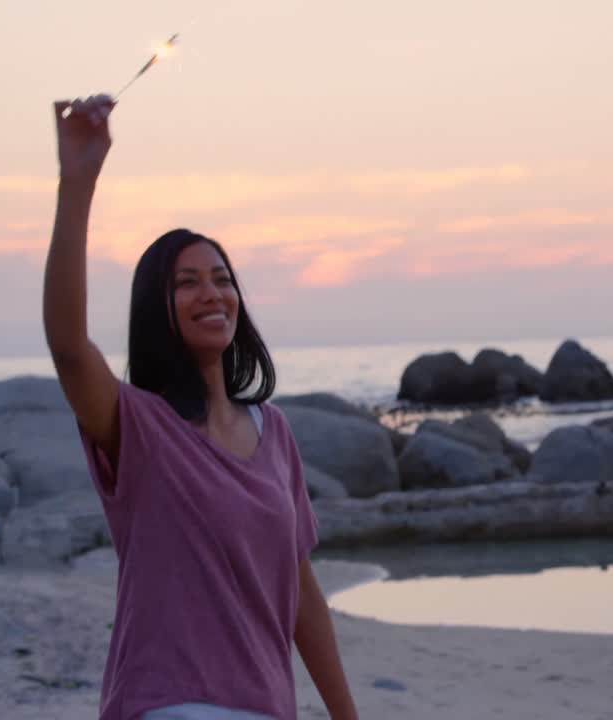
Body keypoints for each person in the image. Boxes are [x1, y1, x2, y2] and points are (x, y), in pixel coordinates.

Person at [43, 95, 360, 720]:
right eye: (186, 283)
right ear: (154, 309)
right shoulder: (138, 426)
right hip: (167, 702)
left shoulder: (274, 432)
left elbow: (300, 593)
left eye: (221, 278)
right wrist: (77, 183)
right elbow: (70, 348)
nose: (211, 293)